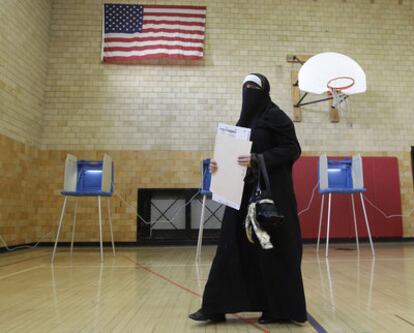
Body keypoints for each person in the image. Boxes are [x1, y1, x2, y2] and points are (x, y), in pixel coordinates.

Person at [189, 73, 307, 325]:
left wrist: (259, 158)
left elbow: (292, 149)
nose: (249, 91)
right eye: (245, 87)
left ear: (264, 91)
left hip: (270, 195)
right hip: (240, 195)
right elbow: (233, 158)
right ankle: (215, 306)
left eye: (254, 87)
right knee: (231, 247)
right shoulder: (240, 125)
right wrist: (217, 166)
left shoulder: (277, 117)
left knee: (271, 249)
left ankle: (280, 310)